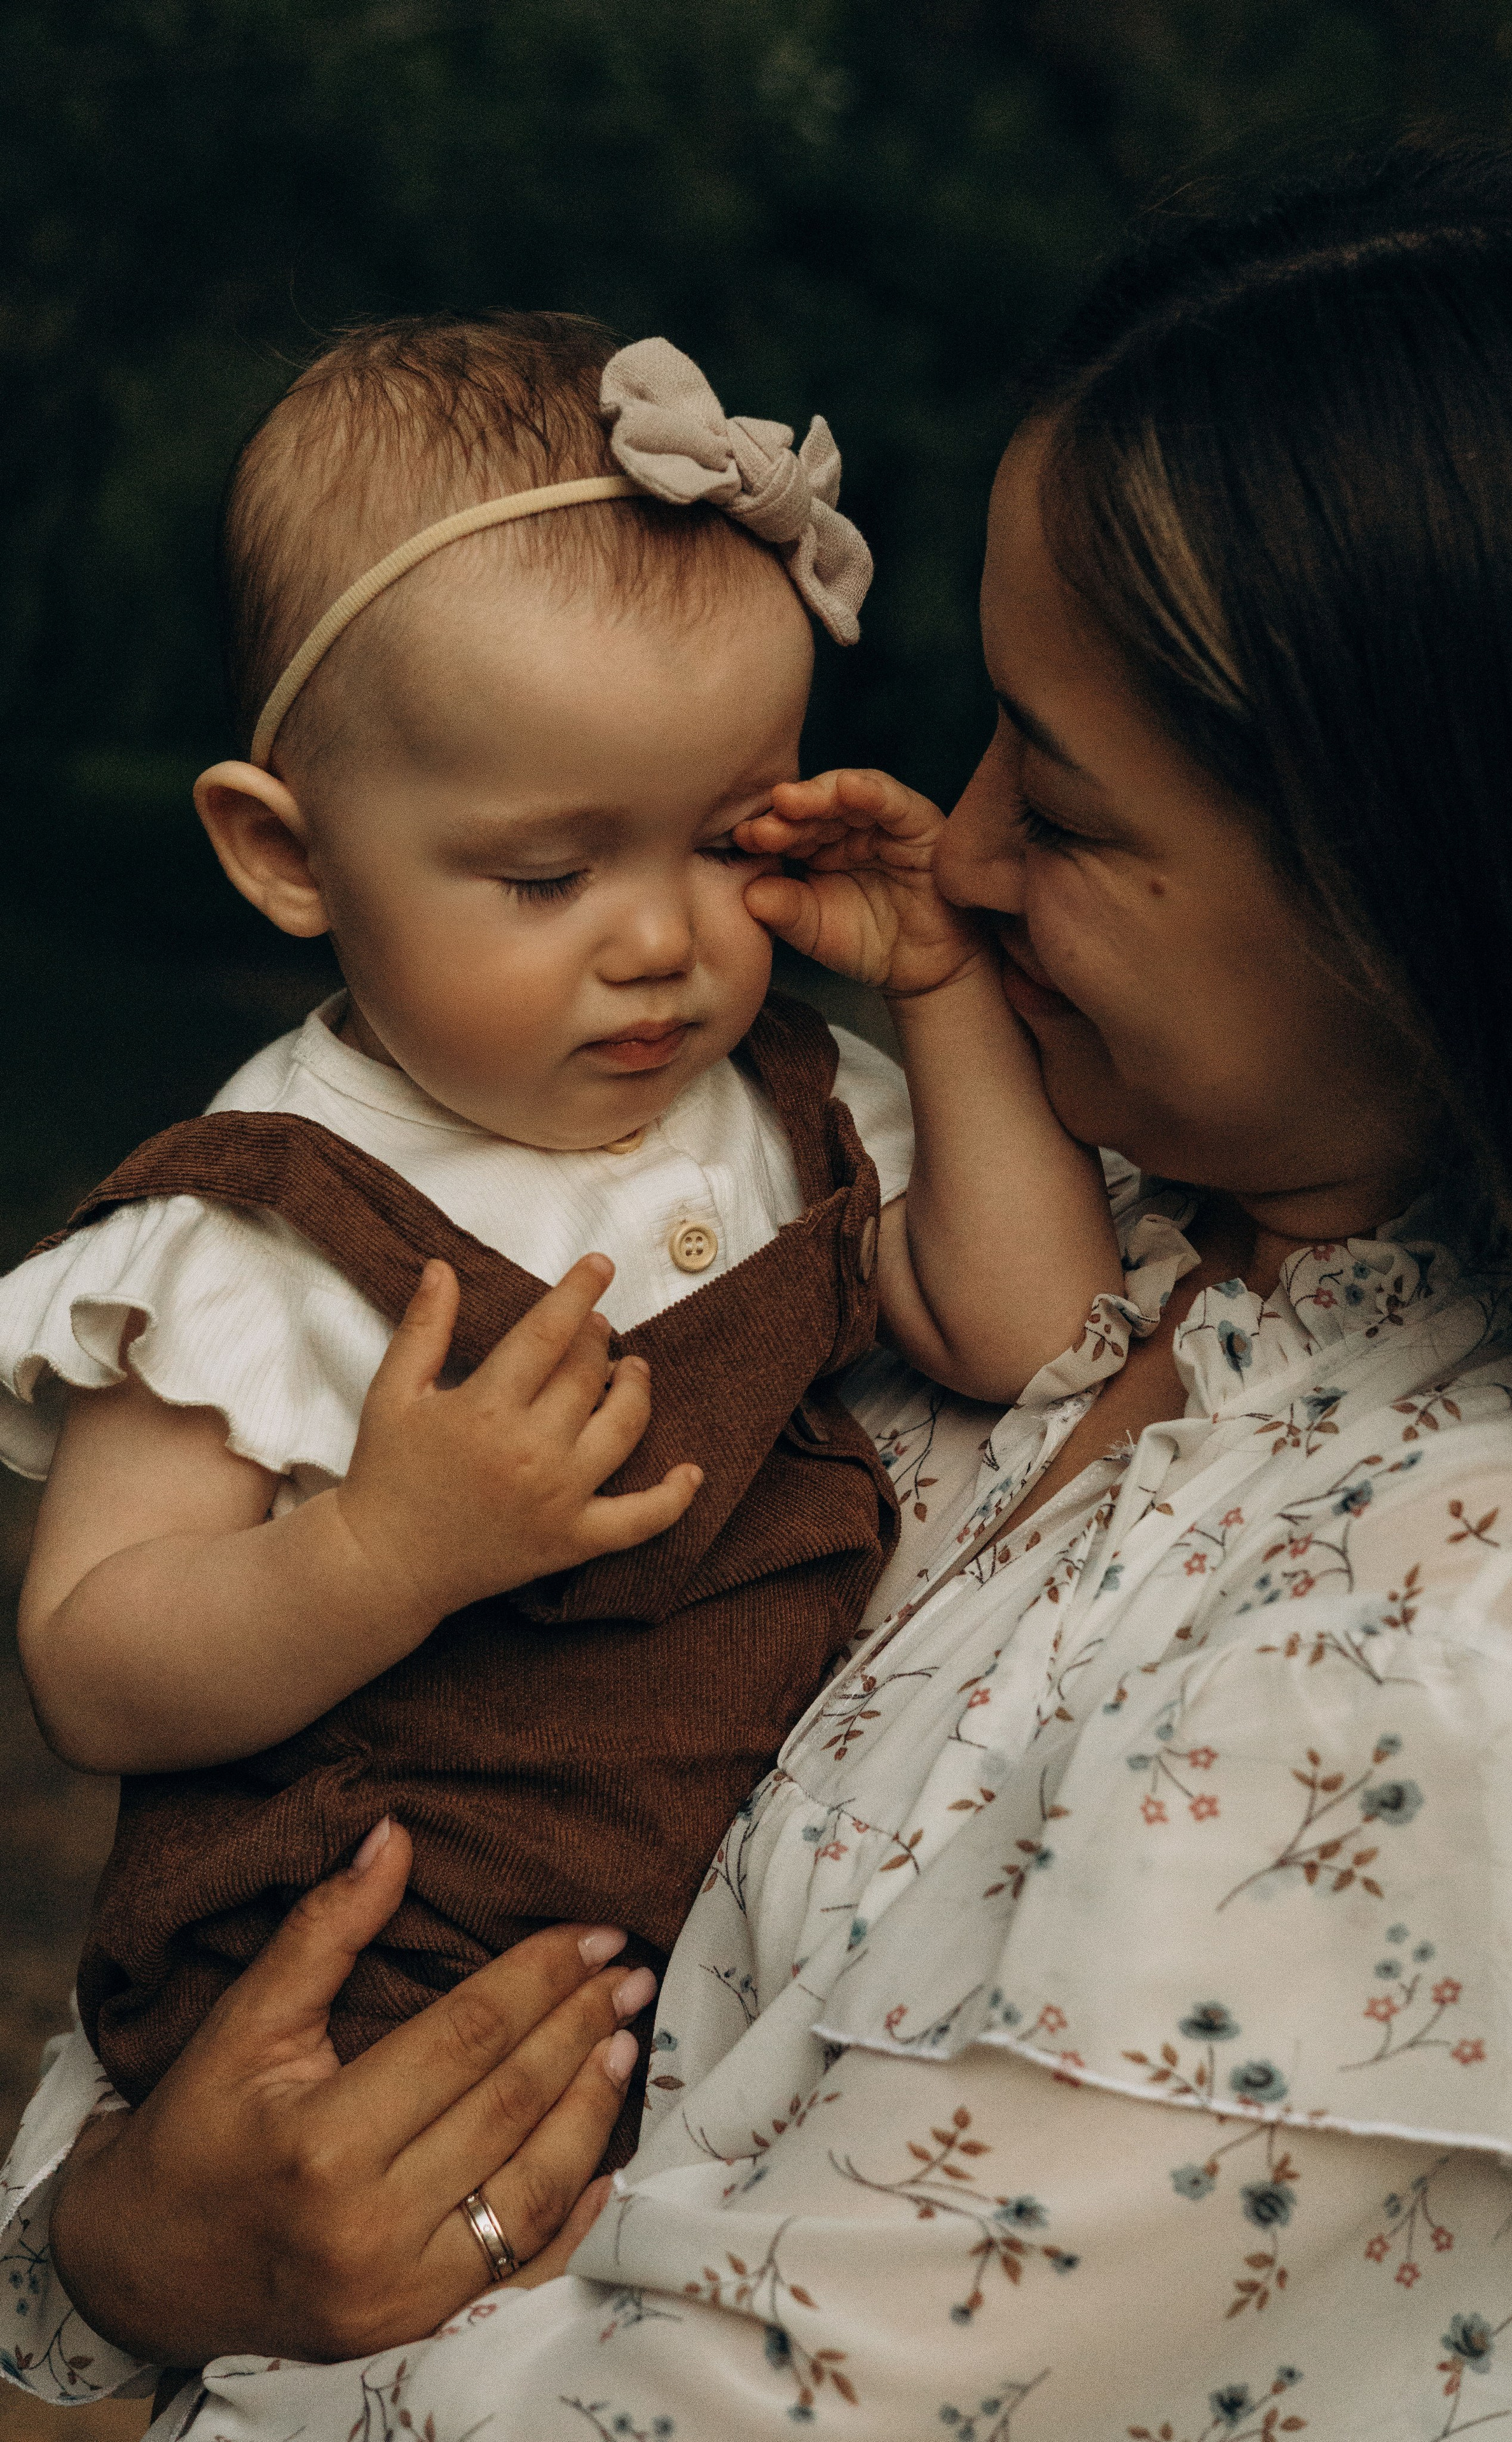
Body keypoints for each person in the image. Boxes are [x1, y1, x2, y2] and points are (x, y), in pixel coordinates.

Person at [6, 132, 1512, 2438]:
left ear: (1432, 895)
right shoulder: (1138, 1240)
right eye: (977, 737)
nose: (942, 847)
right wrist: (115, 2247)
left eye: (1056, 813)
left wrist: (130, 2302)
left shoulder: (1433, 1675)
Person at [0, 315, 1117, 2133]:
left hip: (729, 1976)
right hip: (376, 1986)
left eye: (727, 836)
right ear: (288, 855)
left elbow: (1028, 1327)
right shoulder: (253, 1225)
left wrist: (941, 992)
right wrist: (382, 1551)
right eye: (547, 874)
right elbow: (95, 1663)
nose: (662, 938)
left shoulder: (786, 1103)